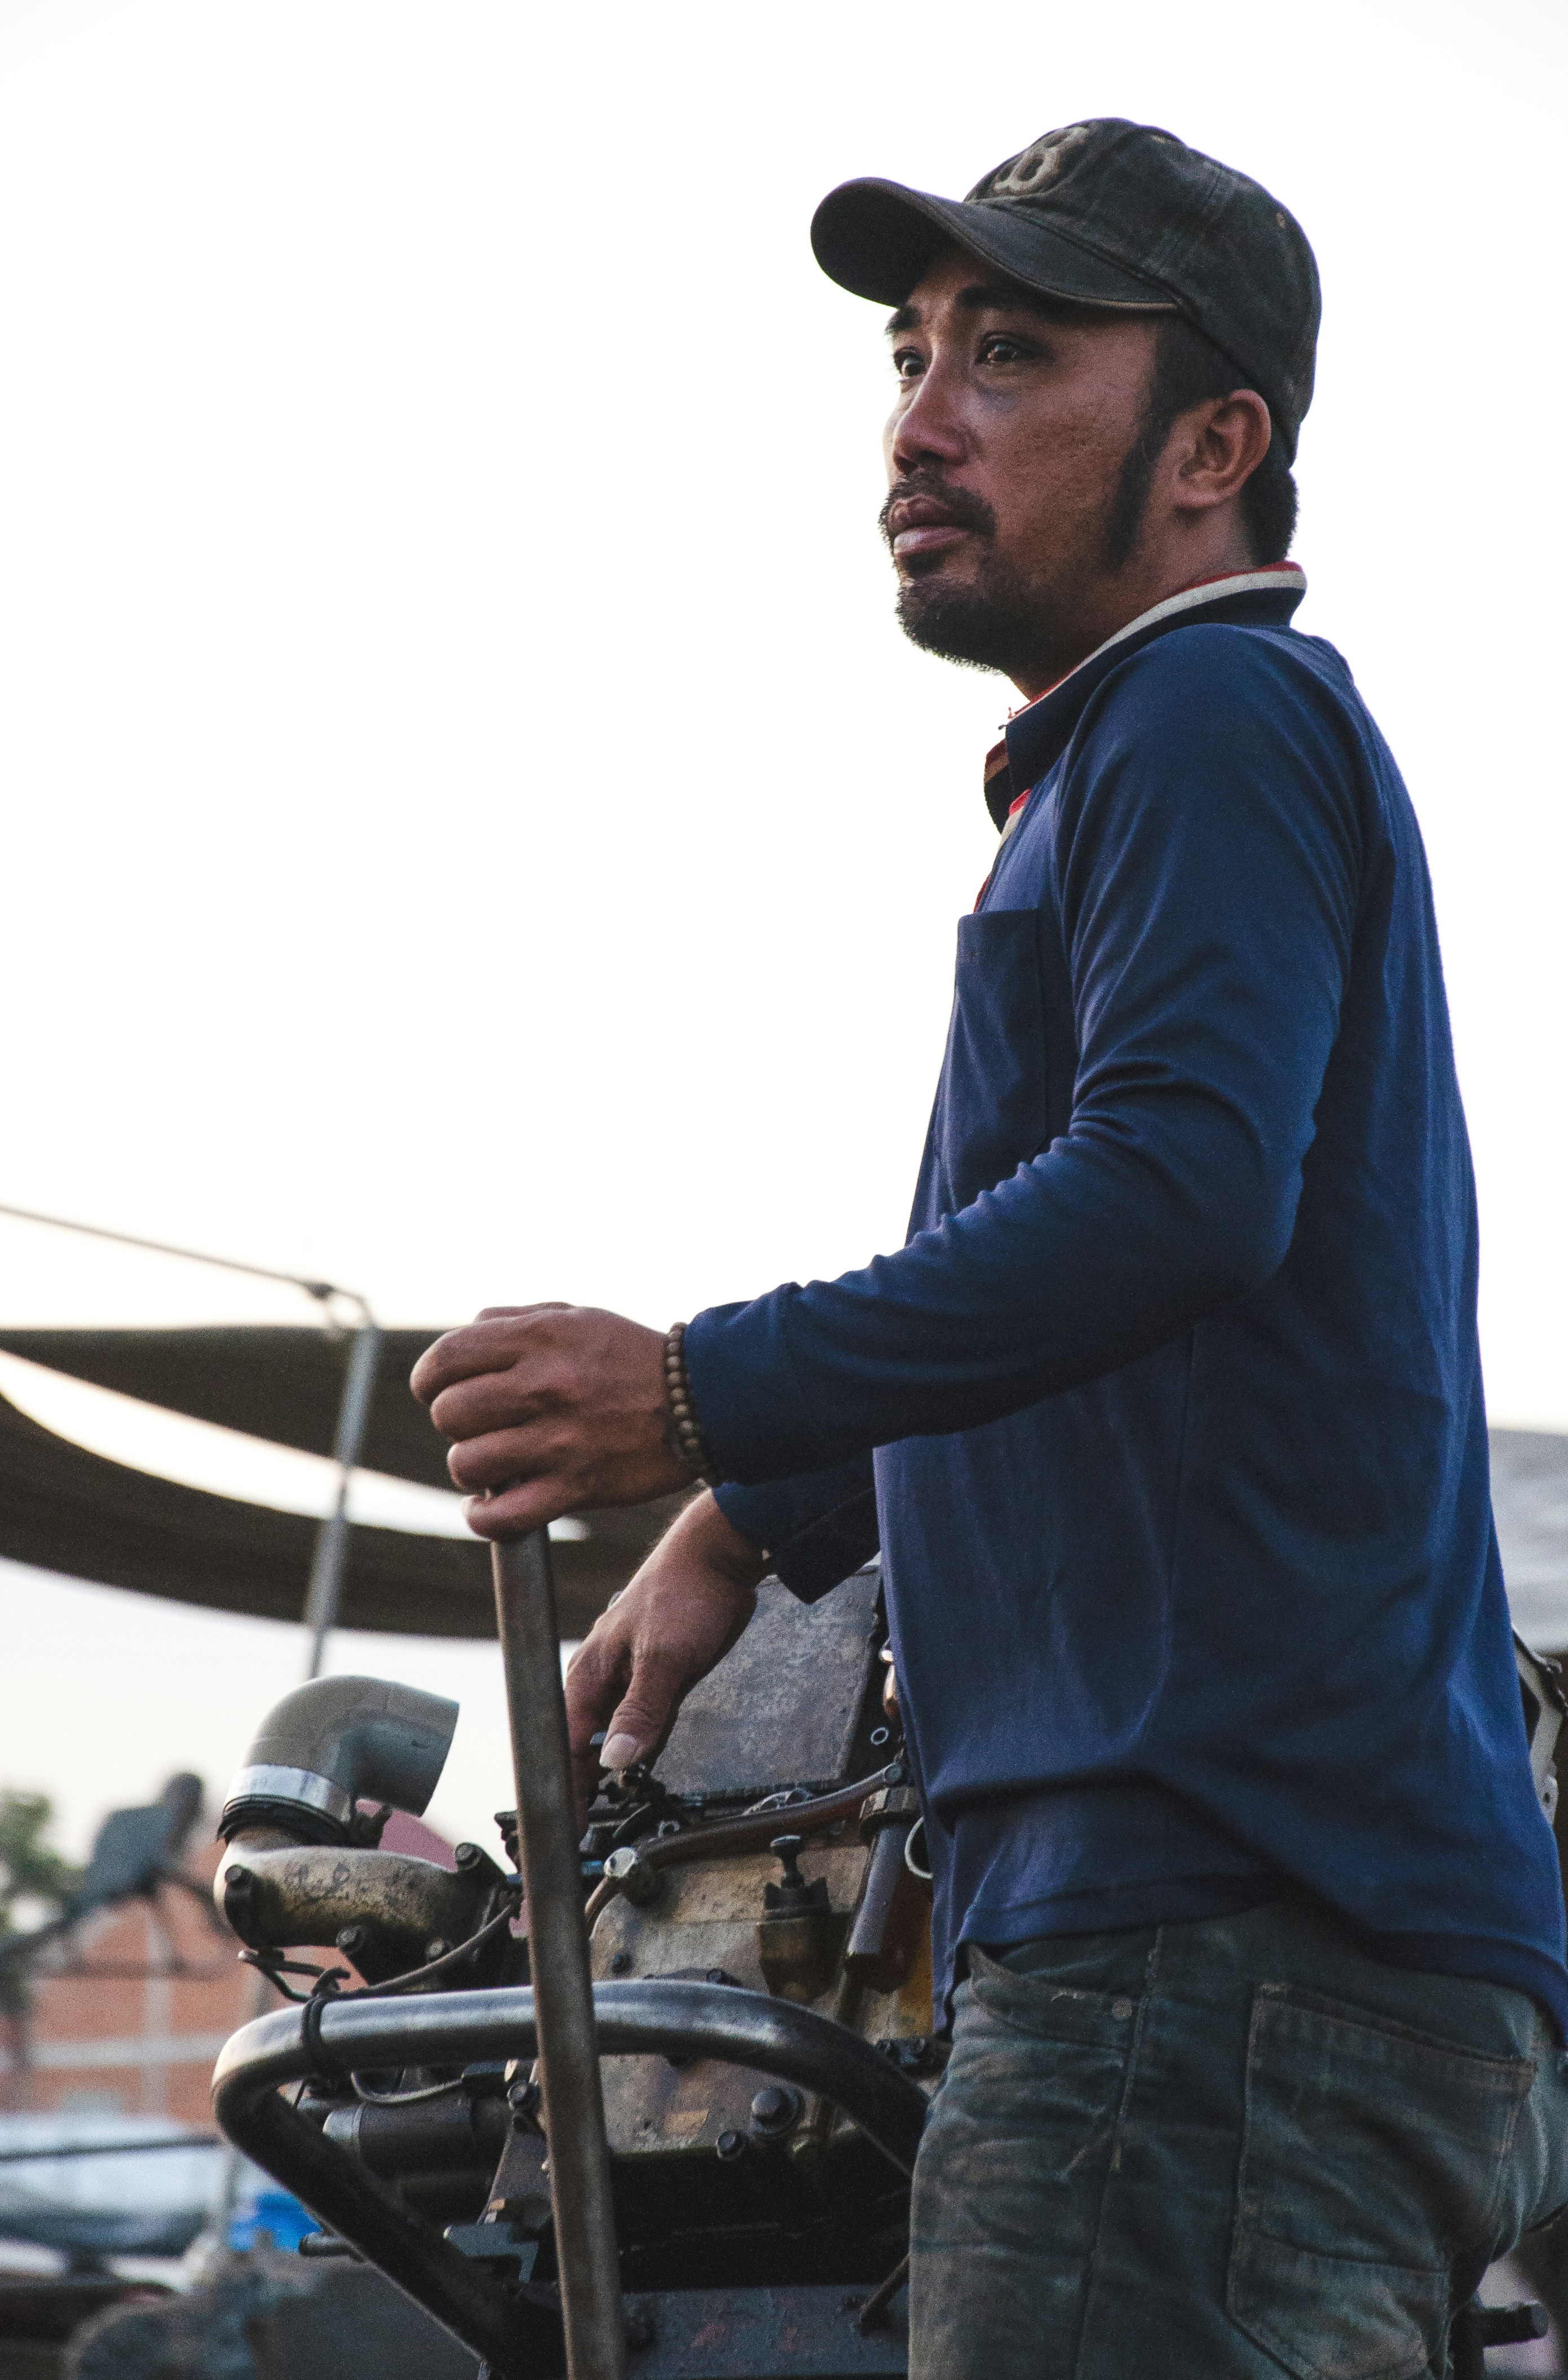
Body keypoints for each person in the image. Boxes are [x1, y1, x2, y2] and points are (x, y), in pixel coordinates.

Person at [412, 119, 1568, 2379]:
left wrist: (692, 1388)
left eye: (1016, 353)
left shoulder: (1208, 717)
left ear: (1217, 444)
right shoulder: (1156, 751)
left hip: (1203, 1939)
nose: (924, 417)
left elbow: (1173, 1199)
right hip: (1251, 1941)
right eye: (914, 350)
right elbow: (1140, 1301)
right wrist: (749, 1512)